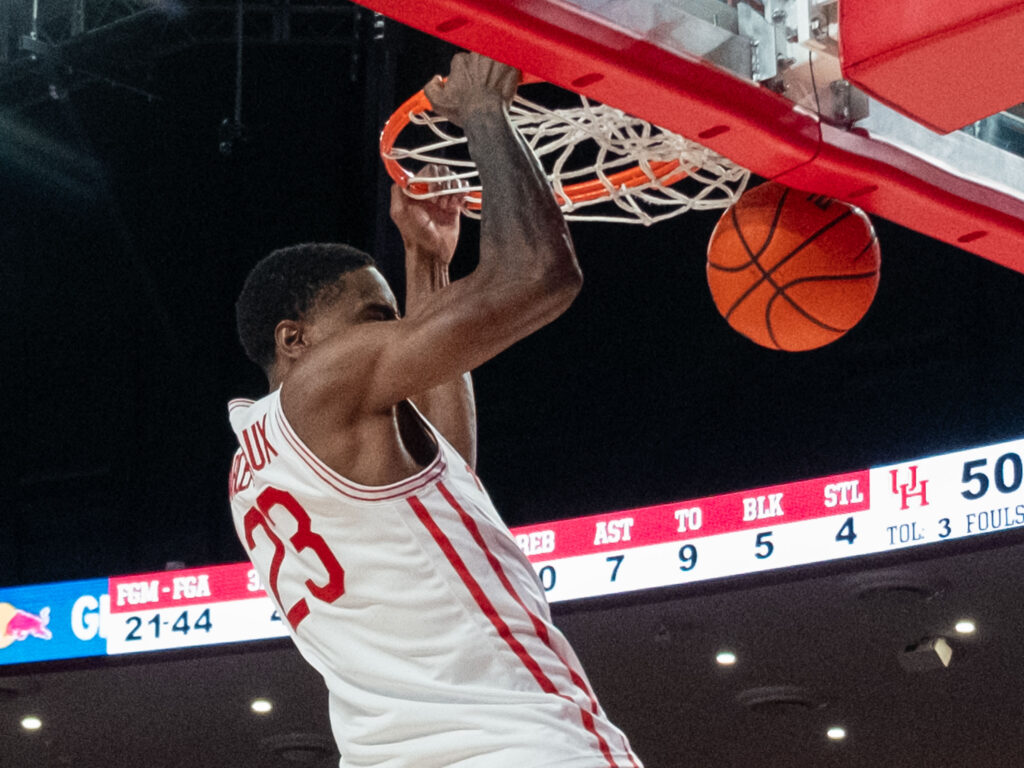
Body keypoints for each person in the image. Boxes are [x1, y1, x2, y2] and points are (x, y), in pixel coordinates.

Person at [228, 52, 642, 768]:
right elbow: (542, 274)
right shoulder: (321, 383)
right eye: (373, 319)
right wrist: (483, 110)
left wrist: (429, 266)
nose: (395, 336)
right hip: (520, 747)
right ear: (295, 341)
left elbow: (449, 479)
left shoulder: (254, 462)